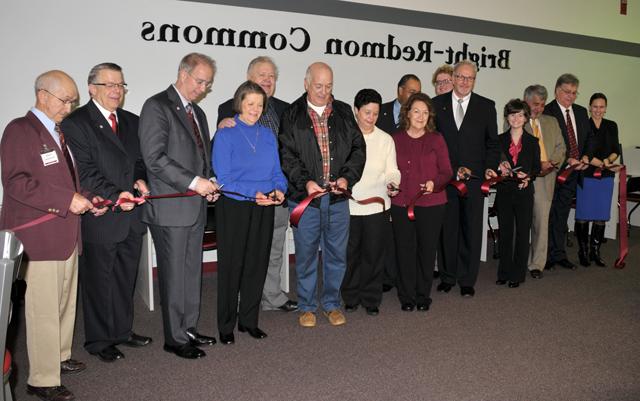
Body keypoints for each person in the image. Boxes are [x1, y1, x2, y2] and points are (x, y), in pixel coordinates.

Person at [0, 70, 107, 401]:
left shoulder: (59, 133)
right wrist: (66, 200)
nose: (70, 105)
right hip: (39, 237)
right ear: (43, 95)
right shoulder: (20, 130)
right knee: (43, 309)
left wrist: (89, 199)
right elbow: (16, 182)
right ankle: (42, 379)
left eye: (74, 100)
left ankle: (60, 357)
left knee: (63, 303)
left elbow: (68, 183)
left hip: (66, 233)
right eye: (66, 99)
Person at [62, 63, 152, 363]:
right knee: (99, 280)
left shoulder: (131, 120)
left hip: (131, 215)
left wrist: (141, 180)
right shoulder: (76, 123)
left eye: (121, 85)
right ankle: (99, 340)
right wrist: (116, 195)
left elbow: (139, 161)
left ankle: (122, 331)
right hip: (102, 215)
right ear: (91, 88)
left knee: (125, 276)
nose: (116, 91)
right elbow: (84, 172)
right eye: (109, 85)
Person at [139, 53, 219, 359]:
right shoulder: (156, 106)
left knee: (190, 272)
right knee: (173, 275)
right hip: (170, 208)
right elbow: (155, 159)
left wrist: (209, 182)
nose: (203, 88)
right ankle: (174, 338)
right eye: (200, 81)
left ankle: (189, 328)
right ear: (182, 74)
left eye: (208, 83)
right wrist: (193, 182)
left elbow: (201, 157)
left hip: (195, 206)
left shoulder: (197, 112)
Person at [279, 62, 365, 328]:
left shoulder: (342, 112)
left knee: (336, 255)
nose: (324, 91)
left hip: (338, 200)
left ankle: (331, 304)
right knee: (305, 255)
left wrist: (346, 178)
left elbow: (357, 149)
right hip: (307, 201)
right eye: (318, 85)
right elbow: (287, 155)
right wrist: (305, 183)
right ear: (306, 84)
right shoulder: (291, 114)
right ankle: (306, 306)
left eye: (329, 86)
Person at [216, 56, 297, 313]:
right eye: (262, 75)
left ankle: (271, 296)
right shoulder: (227, 109)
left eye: (272, 76)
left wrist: (281, 189)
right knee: (243, 254)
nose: (267, 80)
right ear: (248, 80)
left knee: (273, 249)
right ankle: (243, 298)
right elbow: (222, 157)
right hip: (243, 199)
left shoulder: (286, 109)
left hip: (276, 192)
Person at [213, 81, 288, 344]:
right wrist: (252, 193)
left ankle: (248, 321)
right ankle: (225, 325)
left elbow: (277, 172)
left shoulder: (267, 135)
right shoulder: (225, 134)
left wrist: (280, 190)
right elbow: (223, 179)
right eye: (250, 104)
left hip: (264, 206)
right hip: (235, 207)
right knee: (232, 267)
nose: (255, 109)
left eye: (260, 104)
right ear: (239, 104)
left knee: (257, 265)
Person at [432, 60, 500, 297]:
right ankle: (448, 276)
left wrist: (491, 168)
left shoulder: (486, 106)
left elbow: (492, 143)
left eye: (469, 78)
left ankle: (467, 279)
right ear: (453, 77)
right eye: (460, 77)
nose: (464, 82)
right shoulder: (436, 105)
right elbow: (432, 143)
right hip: (446, 180)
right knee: (448, 230)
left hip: (474, 180)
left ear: (474, 80)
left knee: (471, 230)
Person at [341, 89, 400, 316]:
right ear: (356, 111)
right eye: (367, 112)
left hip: (378, 206)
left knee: (374, 255)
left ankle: (371, 298)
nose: (371, 118)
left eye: (375, 113)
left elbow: (392, 170)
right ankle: (350, 296)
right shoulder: (345, 136)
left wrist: (393, 183)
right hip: (349, 206)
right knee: (350, 254)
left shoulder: (386, 139)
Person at [391, 92, 452, 311]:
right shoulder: (395, 139)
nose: (421, 116)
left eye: (425, 112)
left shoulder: (436, 139)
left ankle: (422, 295)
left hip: (432, 205)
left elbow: (447, 172)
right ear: (407, 113)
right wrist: (390, 184)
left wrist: (434, 184)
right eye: (416, 111)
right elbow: (388, 171)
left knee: (427, 251)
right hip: (401, 204)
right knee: (404, 250)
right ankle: (406, 296)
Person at [375, 73, 421, 293]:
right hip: (380, 182)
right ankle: (386, 275)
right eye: (412, 91)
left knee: (403, 231)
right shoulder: (379, 112)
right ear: (399, 90)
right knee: (384, 230)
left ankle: (402, 273)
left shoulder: (418, 118)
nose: (415, 96)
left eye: (418, 92)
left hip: (408, 184)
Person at [543, 73, 592, 271]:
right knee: (548, 214)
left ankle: (559, 253)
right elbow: (545, 146)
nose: (570, 96)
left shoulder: (580, 112)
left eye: (574, 93)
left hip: (574, 173)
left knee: (562, 214)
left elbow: (588, 139)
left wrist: (586, 157)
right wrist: (566, 161)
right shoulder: (547, 112)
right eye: (567, 92)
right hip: (552, 173)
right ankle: (544, 255)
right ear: (557, 91)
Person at [495, 100, 541, 288]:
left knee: (523, 233)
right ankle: (504, 272)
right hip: (505, 191)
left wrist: (528, 176)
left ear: (526, 118)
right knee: (505, 233)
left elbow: (537, 167)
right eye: (512, 114)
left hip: (524, 192)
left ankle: (517, 274)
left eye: (520, 115)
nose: (516, 118)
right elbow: (492, 164)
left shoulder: (532, 142)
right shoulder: (498, 140)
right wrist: (499, 167)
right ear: (507, 117)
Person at [522, 85, 566, 279]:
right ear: (525, 101)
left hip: (546, 179)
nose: (538, 108)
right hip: (524, 179)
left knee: (541, 223)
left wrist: (551, 163)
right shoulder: (515, 120)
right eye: (534, 104)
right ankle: (519, 259)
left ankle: (537, 264)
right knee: (522, 223)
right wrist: (535, 165)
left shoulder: (552, 122)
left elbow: (561, 148)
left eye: (541, 105)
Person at [575, 93, 620, 267]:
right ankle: (583, 251)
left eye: (602, 107)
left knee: (601, 215)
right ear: (589, 107)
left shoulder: (611, 125)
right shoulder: (583, 124)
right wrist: (599, 162)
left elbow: (616, 148)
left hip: (606, 175)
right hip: (587, 174)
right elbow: (581, 150)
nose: (598, 110)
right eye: (595, 106)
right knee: (583, 215)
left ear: (606, 108)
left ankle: (596, 251)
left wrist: (608, 161)